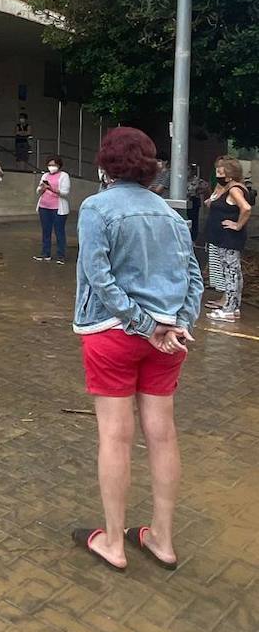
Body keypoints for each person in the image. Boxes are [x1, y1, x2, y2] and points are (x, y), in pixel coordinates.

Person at [72, 127, 202, 572]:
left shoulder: (96, 207)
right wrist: (176, 325)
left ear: (106, 163)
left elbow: (98, 276)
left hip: (114, 334)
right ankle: (162, 539)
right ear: (151, 166)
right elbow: (194, 278)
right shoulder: (172, 215)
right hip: (167, 339)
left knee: (116, 436)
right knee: (162, 434)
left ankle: (113, 542)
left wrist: (144, 325)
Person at [205, 156, 251, 322]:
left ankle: (229, 309)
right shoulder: (227, 188)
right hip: (223, 238)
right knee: (232, 272)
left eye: (220, 171)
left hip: (229, 238)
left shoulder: (234, 189)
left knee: (231, 272)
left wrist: (237, 225)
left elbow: (245, 208)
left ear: (229, 174)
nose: (217, 173)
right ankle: (233, 306)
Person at [34, 155, 71, 263]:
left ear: (59, 165)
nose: (51, 167)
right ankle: (45, 254)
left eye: (54, 165)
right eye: (49, 165)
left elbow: (65, 192)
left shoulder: (64, 176)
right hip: (44, 207)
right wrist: (42, 188)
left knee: (59, 231)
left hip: (58, 208)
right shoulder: (45, 175)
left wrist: (51, 188)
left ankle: (61, 255)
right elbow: (38, 190)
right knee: (46, 231)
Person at [186, 165, 206, 243]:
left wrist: (197, 192)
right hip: (184, 199)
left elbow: (205, 186)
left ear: (192, 171)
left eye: (188, 169)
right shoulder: (182, 179)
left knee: (193, 220)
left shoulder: (196, 180)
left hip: (193, 200)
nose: (187, 171)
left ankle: (193, 238)